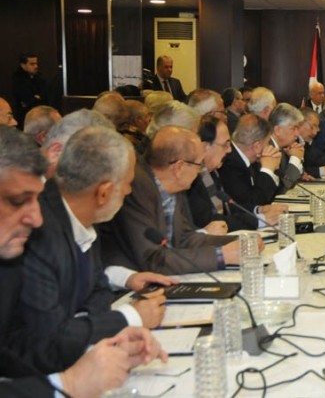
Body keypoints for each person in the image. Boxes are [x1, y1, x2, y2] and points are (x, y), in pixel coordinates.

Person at [0, 126, 166, 396]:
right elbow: (40, 340)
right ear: (103, 193)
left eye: (35, 198)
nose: (37, 219)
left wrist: (97, 340)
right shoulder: (36, 240)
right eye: (18, 201)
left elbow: (98, 291)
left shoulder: (78, 224)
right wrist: (69, 384)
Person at [99, 126, 243, 275]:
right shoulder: (136, 189)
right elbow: (153, 259)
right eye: (199, 164)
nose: (200, 171)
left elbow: (184, 238)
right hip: (127, 282)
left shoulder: (174, 185)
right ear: (179, 168)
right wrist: (222, 256)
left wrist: (243, 243)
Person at [217, 113, 283, 213]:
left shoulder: (251, 160)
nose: (270, 147)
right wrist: (267, 170)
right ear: (257, 146)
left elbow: (272, 197)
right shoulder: (229, 163)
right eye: (267, 142)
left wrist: (272, 170)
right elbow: (253, 203)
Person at [268, 103, 304, 194]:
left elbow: (295, 181)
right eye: (293, 128)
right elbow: (283, 189)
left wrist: (297, 158)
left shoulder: (283, 148)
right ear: (277, 130)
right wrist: (295, 158)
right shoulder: (267, 149)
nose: (297, 134)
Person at [299, 108, 325, 179]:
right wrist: (323, 170)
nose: (317, 130)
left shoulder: (306, 143)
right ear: (300, 124)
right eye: (313, 126)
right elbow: (297, 172)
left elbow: (315, 160)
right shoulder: (290, 144)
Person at [11, 53, 48, 126]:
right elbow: (27, 100)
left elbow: (46, 97)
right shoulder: (18, 79)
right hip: (24, 118)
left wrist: (37, 99)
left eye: (36, 64)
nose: (36, 66)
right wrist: (37, 98)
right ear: (23, 65)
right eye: (32, 64)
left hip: (40, 117)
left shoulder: (40, 77)